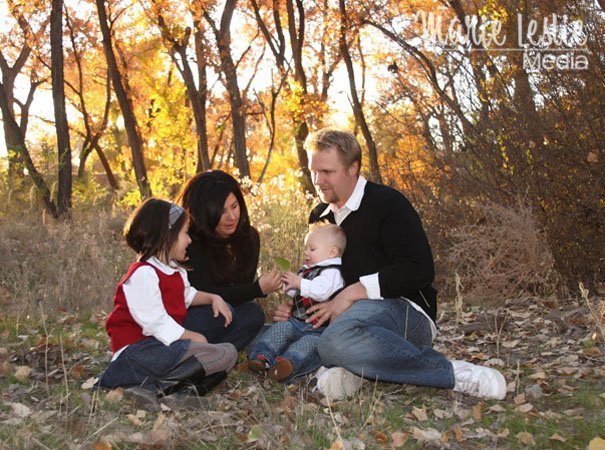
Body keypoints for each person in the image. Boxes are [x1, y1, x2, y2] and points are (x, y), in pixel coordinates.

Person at [274, 128, 507, 401]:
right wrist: (301, 302)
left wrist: (353, 292)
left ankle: (453, 374)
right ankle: (355, 370)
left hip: (407, 311)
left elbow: (419, 270)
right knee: (284, 335)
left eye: (327, 172)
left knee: (335, 341)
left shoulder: (388, 205)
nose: (318, 181)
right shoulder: (321, 216)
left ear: (353, 168)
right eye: (314, 172)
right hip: (351, 323)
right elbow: (324, 276)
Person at [98, 198, 238, 398]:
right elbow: (156, 323)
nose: (189, 240)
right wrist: (192, 337)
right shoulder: (143, 274)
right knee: (213, 351)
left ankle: (175, 392)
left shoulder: (173, 271)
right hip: (136, 354)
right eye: (184, 233)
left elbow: (187, 295)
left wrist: (213, 298)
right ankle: (154, 391)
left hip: (161, 349)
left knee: (228, 353)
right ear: (167, 236)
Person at [179, 170, 282, 351]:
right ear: (204, 214)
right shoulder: (189, 244)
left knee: (253, 314)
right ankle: (200, 353)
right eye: (221, 211)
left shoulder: (249, 239)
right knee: (217, 316)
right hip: (196, 316)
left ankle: (216, 354)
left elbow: (239, 297)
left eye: (234, 207)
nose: (232, 217)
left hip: (230, 315)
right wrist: (257, 289)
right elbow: (202, 293)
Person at [248, 223, 345, 382]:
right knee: (280, 329)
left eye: (312, 249)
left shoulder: (332, 272)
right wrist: (288, 284)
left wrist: (299, 282)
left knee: (307, 345)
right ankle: (262, 357)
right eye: (306, 248)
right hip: (295, 321)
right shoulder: (306, 270)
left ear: (332, 252)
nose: (306, 253)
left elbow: (321, 292)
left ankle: (287, 365)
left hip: (318, 329)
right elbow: (298, 293)